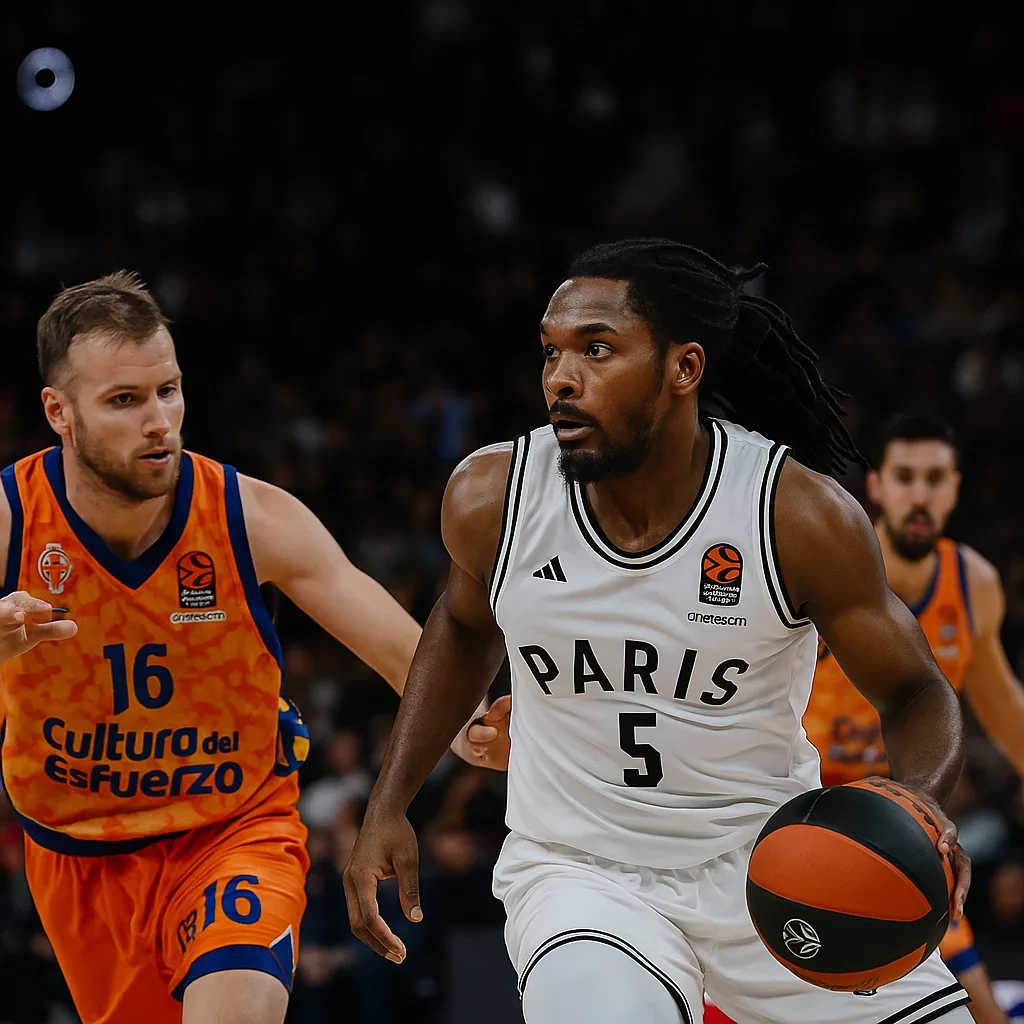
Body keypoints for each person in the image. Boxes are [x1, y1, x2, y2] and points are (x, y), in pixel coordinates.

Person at [344, 238, 976, 1024]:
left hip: (775, 866)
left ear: (684, 369)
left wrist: (919, 806)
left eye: (597, 350)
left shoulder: (792, 514)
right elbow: (466, 627)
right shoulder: (493, 496)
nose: (560, 379)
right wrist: (391, 799)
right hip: (582, 876)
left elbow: (916, 689)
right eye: (551, 353)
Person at [0, 272, 501, 1024]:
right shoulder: (11, 526)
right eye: (124, 401)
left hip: (232, 829)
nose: (159, 421)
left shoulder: (253, 518)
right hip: (80, 855)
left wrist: (474, 727)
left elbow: (406, 652)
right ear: (58, 413)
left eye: (168, 390)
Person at [800, 412, 1024, 1024]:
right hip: (802, 813)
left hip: (903, 827)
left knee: (982, 1015)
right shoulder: (833, 562)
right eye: (904, 477)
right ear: (877, 486)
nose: (919, 494)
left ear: (955, 488)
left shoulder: (972, 583)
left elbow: (1008, 714)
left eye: (934, 478)